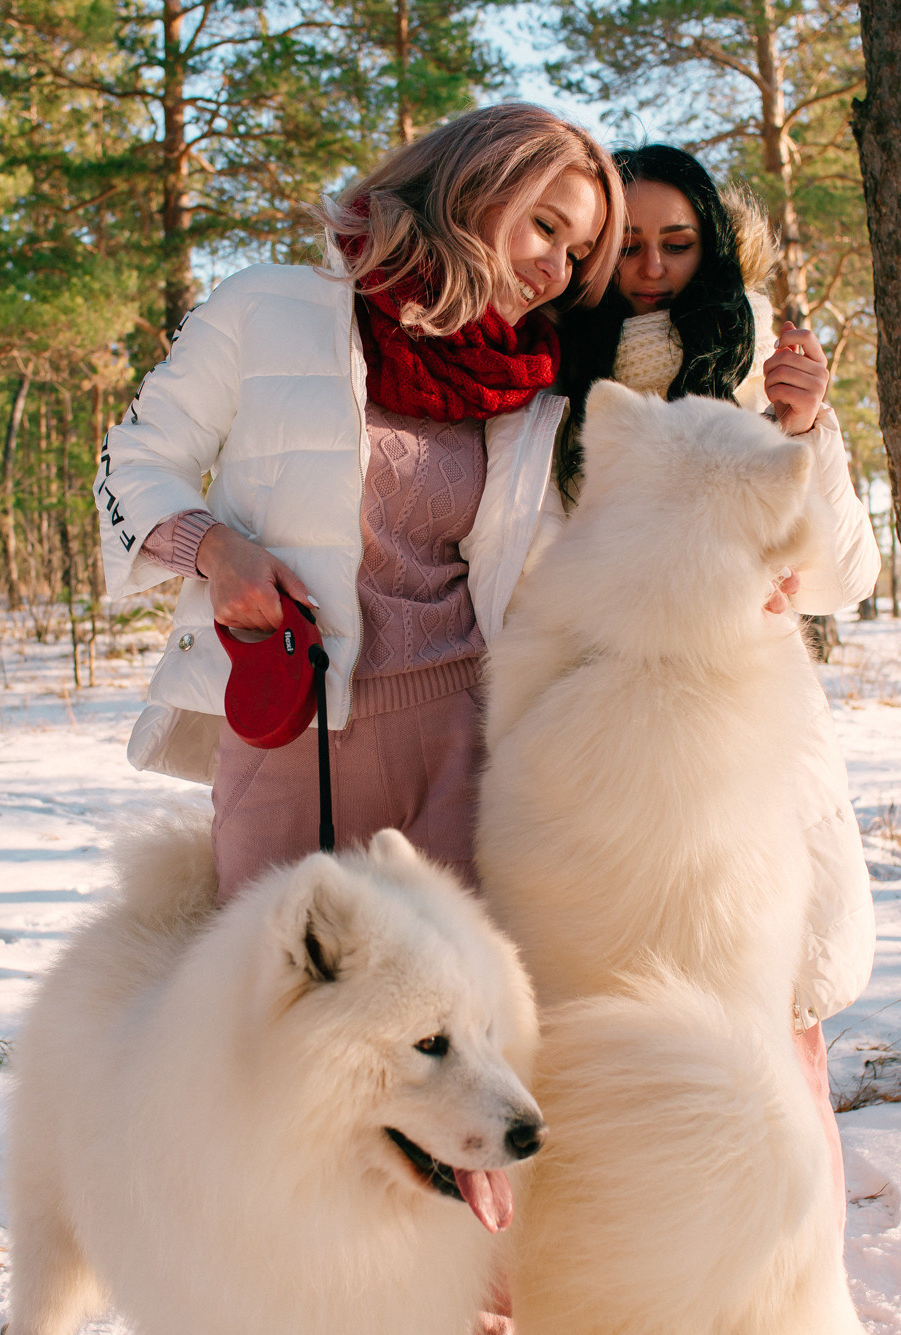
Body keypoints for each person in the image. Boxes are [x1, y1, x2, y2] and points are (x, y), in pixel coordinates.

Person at [96, 102, 624, 903]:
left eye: (578, 253)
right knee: (275, 1011)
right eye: (546, 228)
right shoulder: (266, 305)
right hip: (291, 727)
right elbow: (133, 460)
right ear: (474, 189)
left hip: (464, 733)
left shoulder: (528, 383)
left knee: (455, 1015)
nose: (558, 268)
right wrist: (211, 548)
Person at [557, 144, 880, 1216]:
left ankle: (795, 1280)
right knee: (632, 1016)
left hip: (746, 719)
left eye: (675, 242)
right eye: (627, 243)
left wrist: (800, 427)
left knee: (772, 1023)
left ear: (711, 243)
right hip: (603, 731)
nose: (650, 265)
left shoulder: (760, 362)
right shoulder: (553, 367)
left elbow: (840, 578)